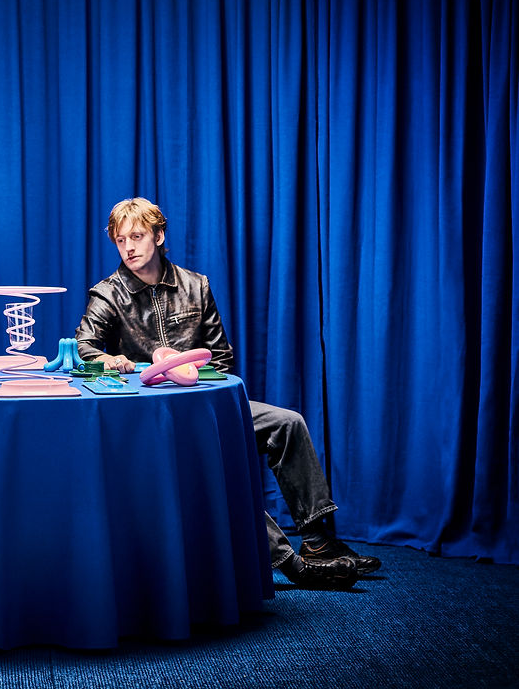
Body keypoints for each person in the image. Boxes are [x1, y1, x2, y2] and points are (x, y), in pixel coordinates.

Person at [75, 197, 381, 590]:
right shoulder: (108, 294)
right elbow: (85, 348)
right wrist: (117, 361)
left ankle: (318, 541)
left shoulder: (195, 286)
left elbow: (220, 356)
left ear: (159, 236)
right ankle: (289, 563)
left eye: (136, 236)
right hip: (153, 418)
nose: (129, 248)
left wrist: (190, 376)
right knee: (213, 460)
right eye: (121, 240)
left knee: (288, 423)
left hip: (204, 403)